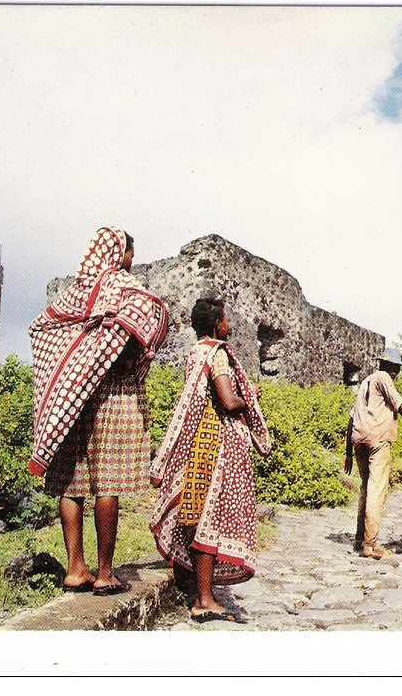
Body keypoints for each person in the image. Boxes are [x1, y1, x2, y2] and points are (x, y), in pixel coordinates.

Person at [28, 227, 168, 595]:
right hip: (113, 395)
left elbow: (45, 330)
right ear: (120, 253)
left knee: (72, 483)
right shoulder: (130, 294)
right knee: (108, 482)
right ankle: (105, 573)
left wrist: (78, 367)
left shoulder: (72, 295)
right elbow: (141, 338)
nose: (131, 263)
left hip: (69, 397)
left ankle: (75, 568)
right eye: (130, 255)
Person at [150, 298, 271, 623]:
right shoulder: (216, 353)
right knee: (210, 516)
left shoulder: (195, 352)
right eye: (227, 320)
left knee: (199, 512)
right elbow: (228, 401)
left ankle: (203, 594)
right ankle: (204, 600)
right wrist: (248, 399)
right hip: (216, 443)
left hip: (200, 441)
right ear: (217, 323)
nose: (230, 326)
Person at [344, 347, 402, 559]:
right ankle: (369, 546)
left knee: (365, 487)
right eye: (396, 368)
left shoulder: (365, 382)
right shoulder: (384, 378)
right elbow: (401, 407)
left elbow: (351, 418)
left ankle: (360, 538)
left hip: (358, 440)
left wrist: (348, 453)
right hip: (378, 440)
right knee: (377, 490)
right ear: (391, 367)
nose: (396, 372)